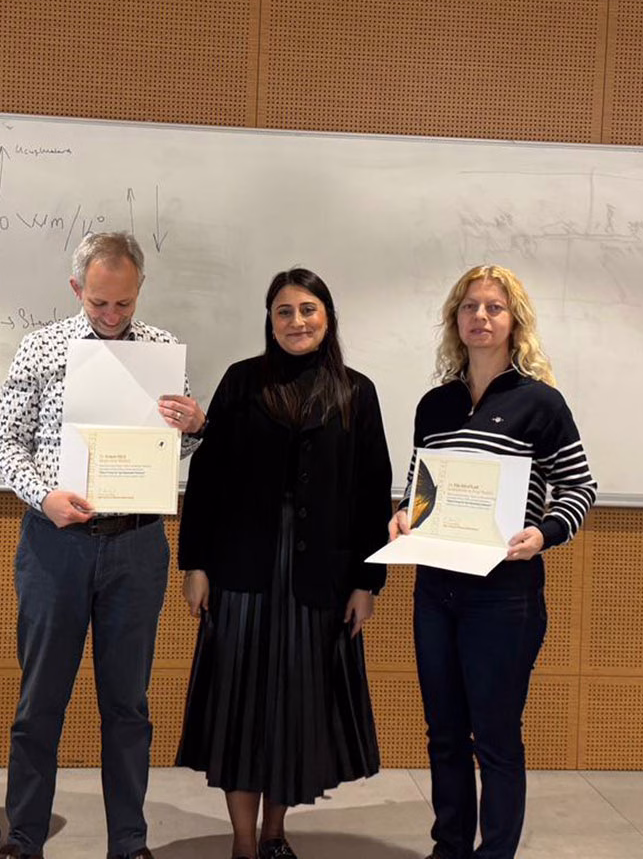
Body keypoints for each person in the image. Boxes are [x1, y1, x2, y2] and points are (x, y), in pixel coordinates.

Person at [0, 232, 206, 859]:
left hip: (136, 544)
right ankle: (24, 838)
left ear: (140, 290)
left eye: (125, 303)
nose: (112, 315)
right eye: (99, 303)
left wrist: (196, 427)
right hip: (56, 543)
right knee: (41, 700)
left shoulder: (162, 350)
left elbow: (173, 450)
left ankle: (129, 843)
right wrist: (44, 496)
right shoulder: (41, 348)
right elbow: (5, 442)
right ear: (77, 288)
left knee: (127, 704)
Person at [176, 267, 393, 859]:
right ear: (270, 321)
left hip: (320, 578)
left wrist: (367, 582)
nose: (297, 321)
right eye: (284, 311)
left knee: (294, 712)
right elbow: (208, 479)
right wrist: (196, 565)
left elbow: (373, 492)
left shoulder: (357, 392)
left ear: (328, 317)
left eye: (308, 309)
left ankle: (275, 833)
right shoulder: (242, 382)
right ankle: (244, 843)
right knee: (241, 708)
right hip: (242, 571)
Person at [388, 264, 597, 859]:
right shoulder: (435, 405)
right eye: (469, 306)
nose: (480, 316)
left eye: (494, 308)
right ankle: (449, 847)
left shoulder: (540, 402)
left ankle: (495, 852)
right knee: (444, 734)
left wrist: (544, 533)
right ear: (455, 320)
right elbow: (418, 490)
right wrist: (403, 516)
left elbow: (580, 487)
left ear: (514, 322)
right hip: (436, 591)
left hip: (504, 596)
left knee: (497, 737)